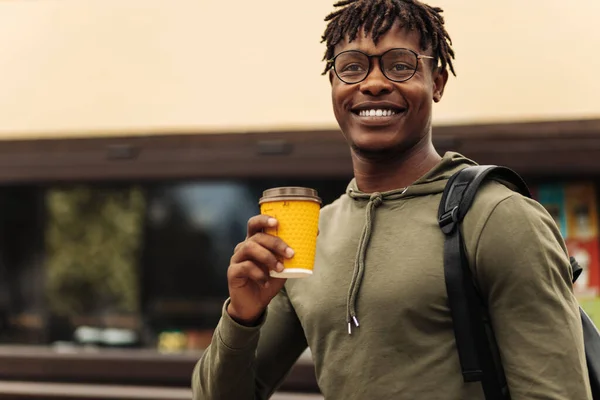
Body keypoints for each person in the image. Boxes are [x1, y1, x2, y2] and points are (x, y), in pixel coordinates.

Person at [192, 0, 592, 398]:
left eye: (400, 65)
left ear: (437, 82)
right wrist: (243, 315)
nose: (374, 82)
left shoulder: (499, 218)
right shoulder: (312, 237)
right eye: (351, 67)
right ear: (333, 85)